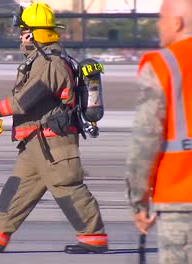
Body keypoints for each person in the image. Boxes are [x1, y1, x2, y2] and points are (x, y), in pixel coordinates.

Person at [0, 2, 108, 254]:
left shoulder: (49, 63)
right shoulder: (40, 60)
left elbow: (25, 101)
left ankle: (93, 237)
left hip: (53, 142)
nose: (20, 36)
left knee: (67, 186)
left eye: (23, 30)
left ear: (33, 33)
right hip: (35, 141)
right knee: (19, 186)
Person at [125, 0, 192, 263]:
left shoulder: (164, 65)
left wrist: (138, 201)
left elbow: (145, 140)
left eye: (161, 18)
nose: (158, 25)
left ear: (176, 23)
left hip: (181, 200)